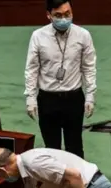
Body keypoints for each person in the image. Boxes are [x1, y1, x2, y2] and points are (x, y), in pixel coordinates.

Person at [24, 0, 97, 159]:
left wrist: (90, 95)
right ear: (48, 15)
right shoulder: (38, 36)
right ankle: (55, 183)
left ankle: (79, 182)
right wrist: (30, 97)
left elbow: (89, 67)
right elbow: (32, 68)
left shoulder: (83, 35)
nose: (64, 19)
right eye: (58, 15)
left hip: (74, 98)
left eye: (67, 14)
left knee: (75, 147)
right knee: (51, 149)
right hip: (47, 99)